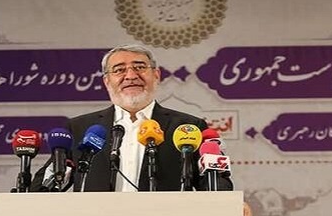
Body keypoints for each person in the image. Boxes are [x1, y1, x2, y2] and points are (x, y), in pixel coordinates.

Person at [31, 44, 233, 193]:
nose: (130, 76)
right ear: (107, 81)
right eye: (119, 70)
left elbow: (214, 183)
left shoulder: (188, 127)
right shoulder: (80, 128)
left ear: (156, 75)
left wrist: (229, 204)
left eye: (139, 67)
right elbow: (43, 189)